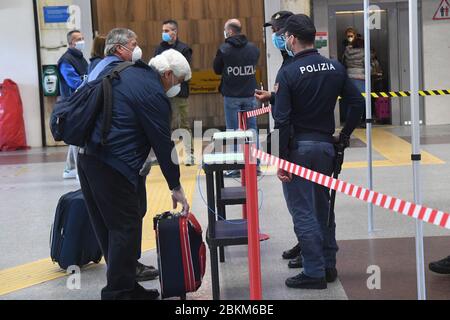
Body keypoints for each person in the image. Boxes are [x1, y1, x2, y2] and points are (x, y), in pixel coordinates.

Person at [78, 28, 192, 300]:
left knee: (113, 229)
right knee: (125, 227)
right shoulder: (153, 91)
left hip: (88, 157)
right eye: (179, 80)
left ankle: (128, 287)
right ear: (167, 75)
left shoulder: (130, 73)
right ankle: (117, 293)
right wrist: (175, 185)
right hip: (111, 165)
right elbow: (163, 144)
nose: (178, 87)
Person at [273, 14, 364, 289]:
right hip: (325, 147)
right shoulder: (334, 67)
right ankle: (328, 265)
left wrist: (282, 160)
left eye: (285, 36)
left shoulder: (288, 72)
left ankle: (313, 272)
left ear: (291, 38)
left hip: (299, 149)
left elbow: (282, 120)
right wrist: (344, 136)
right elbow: (357, 104)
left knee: (303, 211)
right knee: (324, 208)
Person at [87, 29, 159, 284]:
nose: (138, 49)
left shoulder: (102, 68)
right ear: (119, 48)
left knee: (123, 217)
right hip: (111, 157)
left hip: (101, 154)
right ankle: (125, 273)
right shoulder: (112, 71)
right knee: (125, 219)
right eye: (133, 44)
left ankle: (124, 270)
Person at [256, 10, 303, 269]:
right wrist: (272, 98)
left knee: (301, 200)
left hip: (294, 140)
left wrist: (279, 154)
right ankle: (304, 241)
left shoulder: (294, 64)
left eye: (277, 32)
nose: (274, 36)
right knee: (296, 201)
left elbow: (289, 113)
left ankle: (311, 250)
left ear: (289, 34)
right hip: (293, 137)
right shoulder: (288, 62)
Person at [213, 19, 261, 178]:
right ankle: (256, 164)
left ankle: (234, 167)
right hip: (250, 95)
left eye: (225, 30)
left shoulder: (224, 49)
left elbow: (216, 70)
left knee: (233, 131)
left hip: (231, 96)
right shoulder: (253, 49)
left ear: (230, 32)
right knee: (252, 129)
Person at [154, 20, 194, 166]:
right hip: (162, 93)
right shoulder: (159, 48)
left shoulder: (184, 49)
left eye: (167, 30)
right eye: (163, 30)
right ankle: (166, 156)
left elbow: (185, 71)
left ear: (174, 32)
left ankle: (189, 155)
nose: (164, 33)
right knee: (164, 124)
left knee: (183, 123)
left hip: (179, 92)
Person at [58, 30, 88, 180]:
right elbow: (73, 82)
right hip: (72, 103)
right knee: (77, 135)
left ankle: (69, 168)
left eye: (82, 38)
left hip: (81, 101)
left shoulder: (81, 58)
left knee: (76, 136)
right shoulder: (66, 60)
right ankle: (78, 171)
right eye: (78, 39)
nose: (82, 41)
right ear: (71, 43)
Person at [342, 30, 366, 126]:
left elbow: (343, 62)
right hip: (361, 77)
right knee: (362, 100)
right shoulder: (364, 52)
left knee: (350, 100)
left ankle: (349, 120)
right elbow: (367, 65)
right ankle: (362, 120)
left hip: (349, 76)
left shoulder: (347, 51)